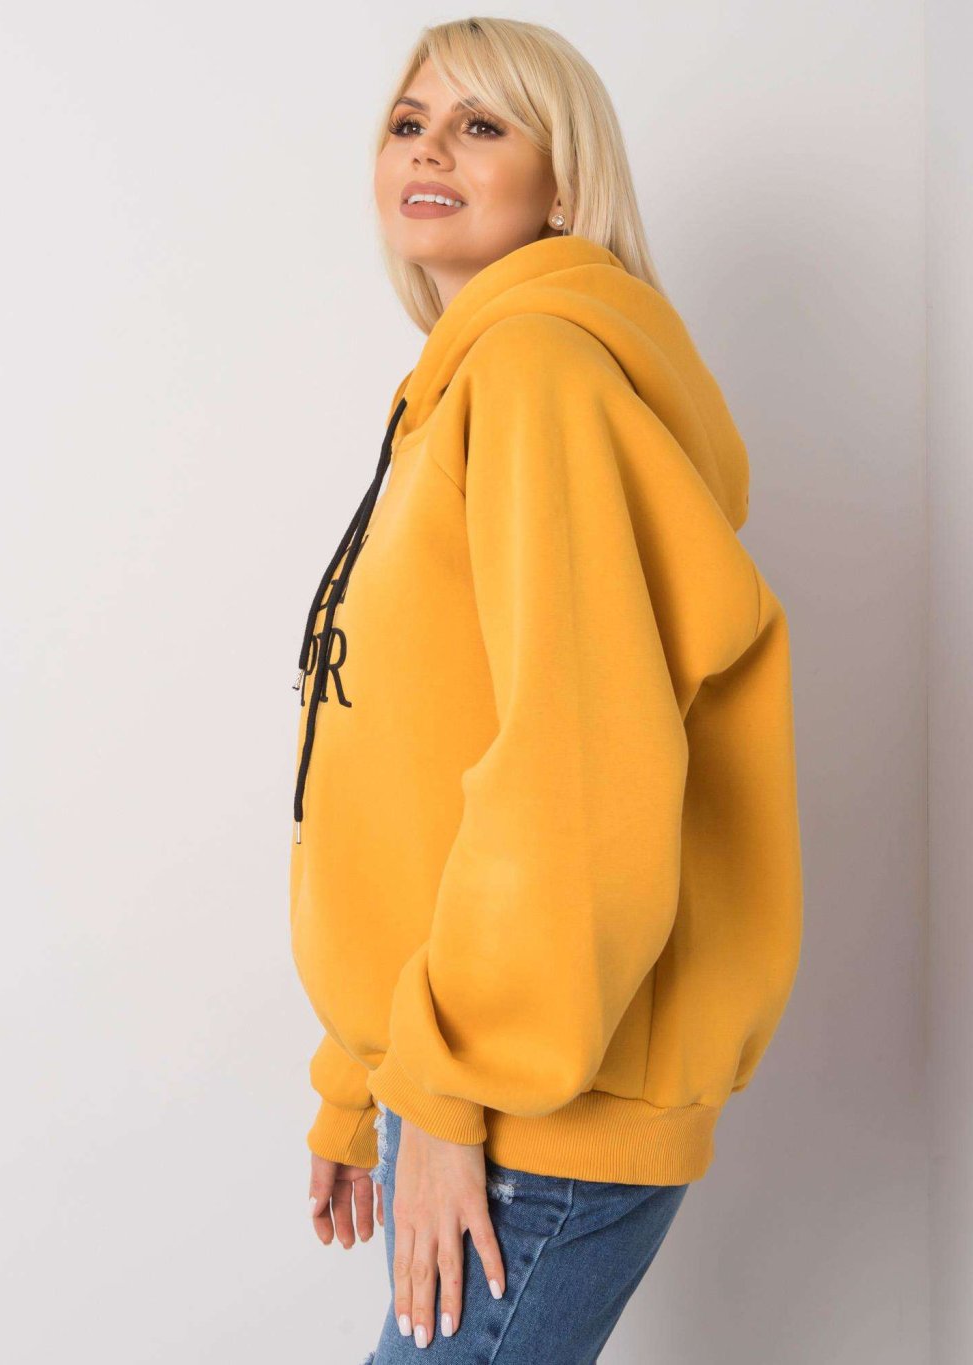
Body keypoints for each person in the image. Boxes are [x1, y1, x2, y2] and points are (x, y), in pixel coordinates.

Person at [289, 17, 803, 1361]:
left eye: (482, 125)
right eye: (409, 124)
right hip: (470, 1079)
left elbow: (573, 770)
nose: (430, 151)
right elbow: (413, 764)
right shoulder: (456, 388)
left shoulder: (537, 375)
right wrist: (364, 1078)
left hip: (531, 1102)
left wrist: (448, 1090)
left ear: (565, 182)